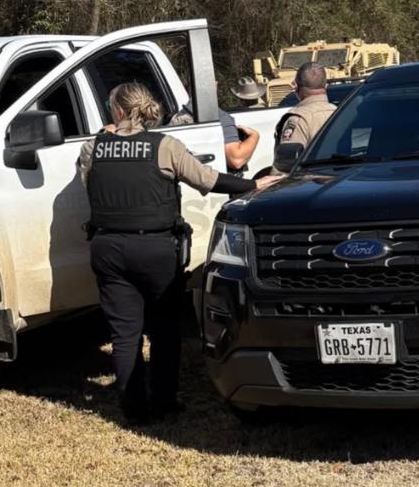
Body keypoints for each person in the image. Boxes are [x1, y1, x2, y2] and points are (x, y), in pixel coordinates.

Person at [77, 82, 279, 423]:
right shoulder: (165, 146)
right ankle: (164, 400)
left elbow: (88, 183)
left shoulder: (93, 147)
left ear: (119, 111)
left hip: (108, 248)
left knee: (124, 333)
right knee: (164, 327)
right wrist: (252, 185)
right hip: (156, 249)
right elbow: (207, 179)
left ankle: (133, 407)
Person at [168, 77, 262, 177]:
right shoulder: (221, 118)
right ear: (214, 86)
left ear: (187, 88)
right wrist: (255, 136)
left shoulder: (175, 118)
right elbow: (236, 160)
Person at [272, 61, 336, 173]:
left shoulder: (298, 119)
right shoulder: (340, 112)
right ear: (326, 86)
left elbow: (285, 167)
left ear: (296, 86)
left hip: (310, 181)